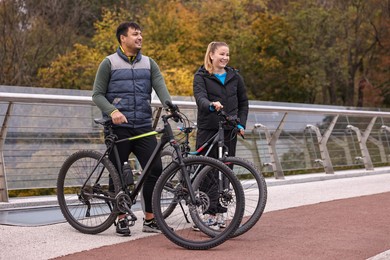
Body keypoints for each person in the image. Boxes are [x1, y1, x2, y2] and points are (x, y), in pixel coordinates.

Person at [92, 21, 172, 236]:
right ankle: (120, 218)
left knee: (154, 169)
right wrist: (112, 112)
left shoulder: (149, 63)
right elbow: (97, 95)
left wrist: (170, 106)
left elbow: (160, 87)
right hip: (118, 127)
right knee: (118, 173)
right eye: (135, 34)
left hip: (144, 125)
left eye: (141, 34)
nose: (140, 38)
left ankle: (150, 219)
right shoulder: (108, 63)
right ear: (123, 38)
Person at [193, 41, 249, 230]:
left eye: (227, 55)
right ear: (211, 55)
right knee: (207, 170)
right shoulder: (201, 76)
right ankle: (208, 213)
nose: (225, 58)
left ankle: (221, 213)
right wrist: (210, 104)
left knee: (226, 170)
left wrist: (241, 123)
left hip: (229, 128)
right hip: (208, 127)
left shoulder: (235, 76)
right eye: (221, 54)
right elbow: (200, 97)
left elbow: (243, 102)